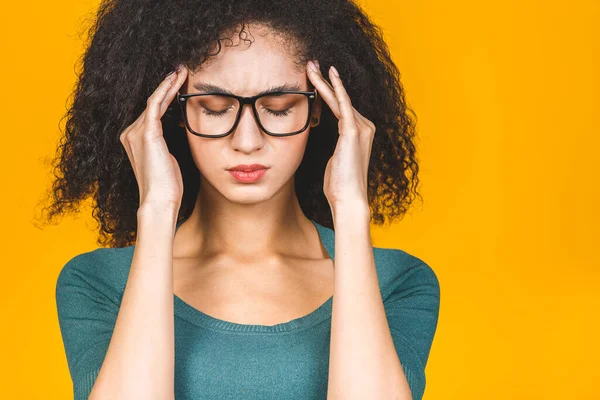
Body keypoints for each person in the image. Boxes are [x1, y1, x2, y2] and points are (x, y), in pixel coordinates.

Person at [49, 0, 440, 399]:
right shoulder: (98, 283)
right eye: (216, 109)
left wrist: (352, 209)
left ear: (320, 108)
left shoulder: (399, 283)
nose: (247, 142)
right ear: (174, 112)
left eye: (278, 108)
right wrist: (156, 210)